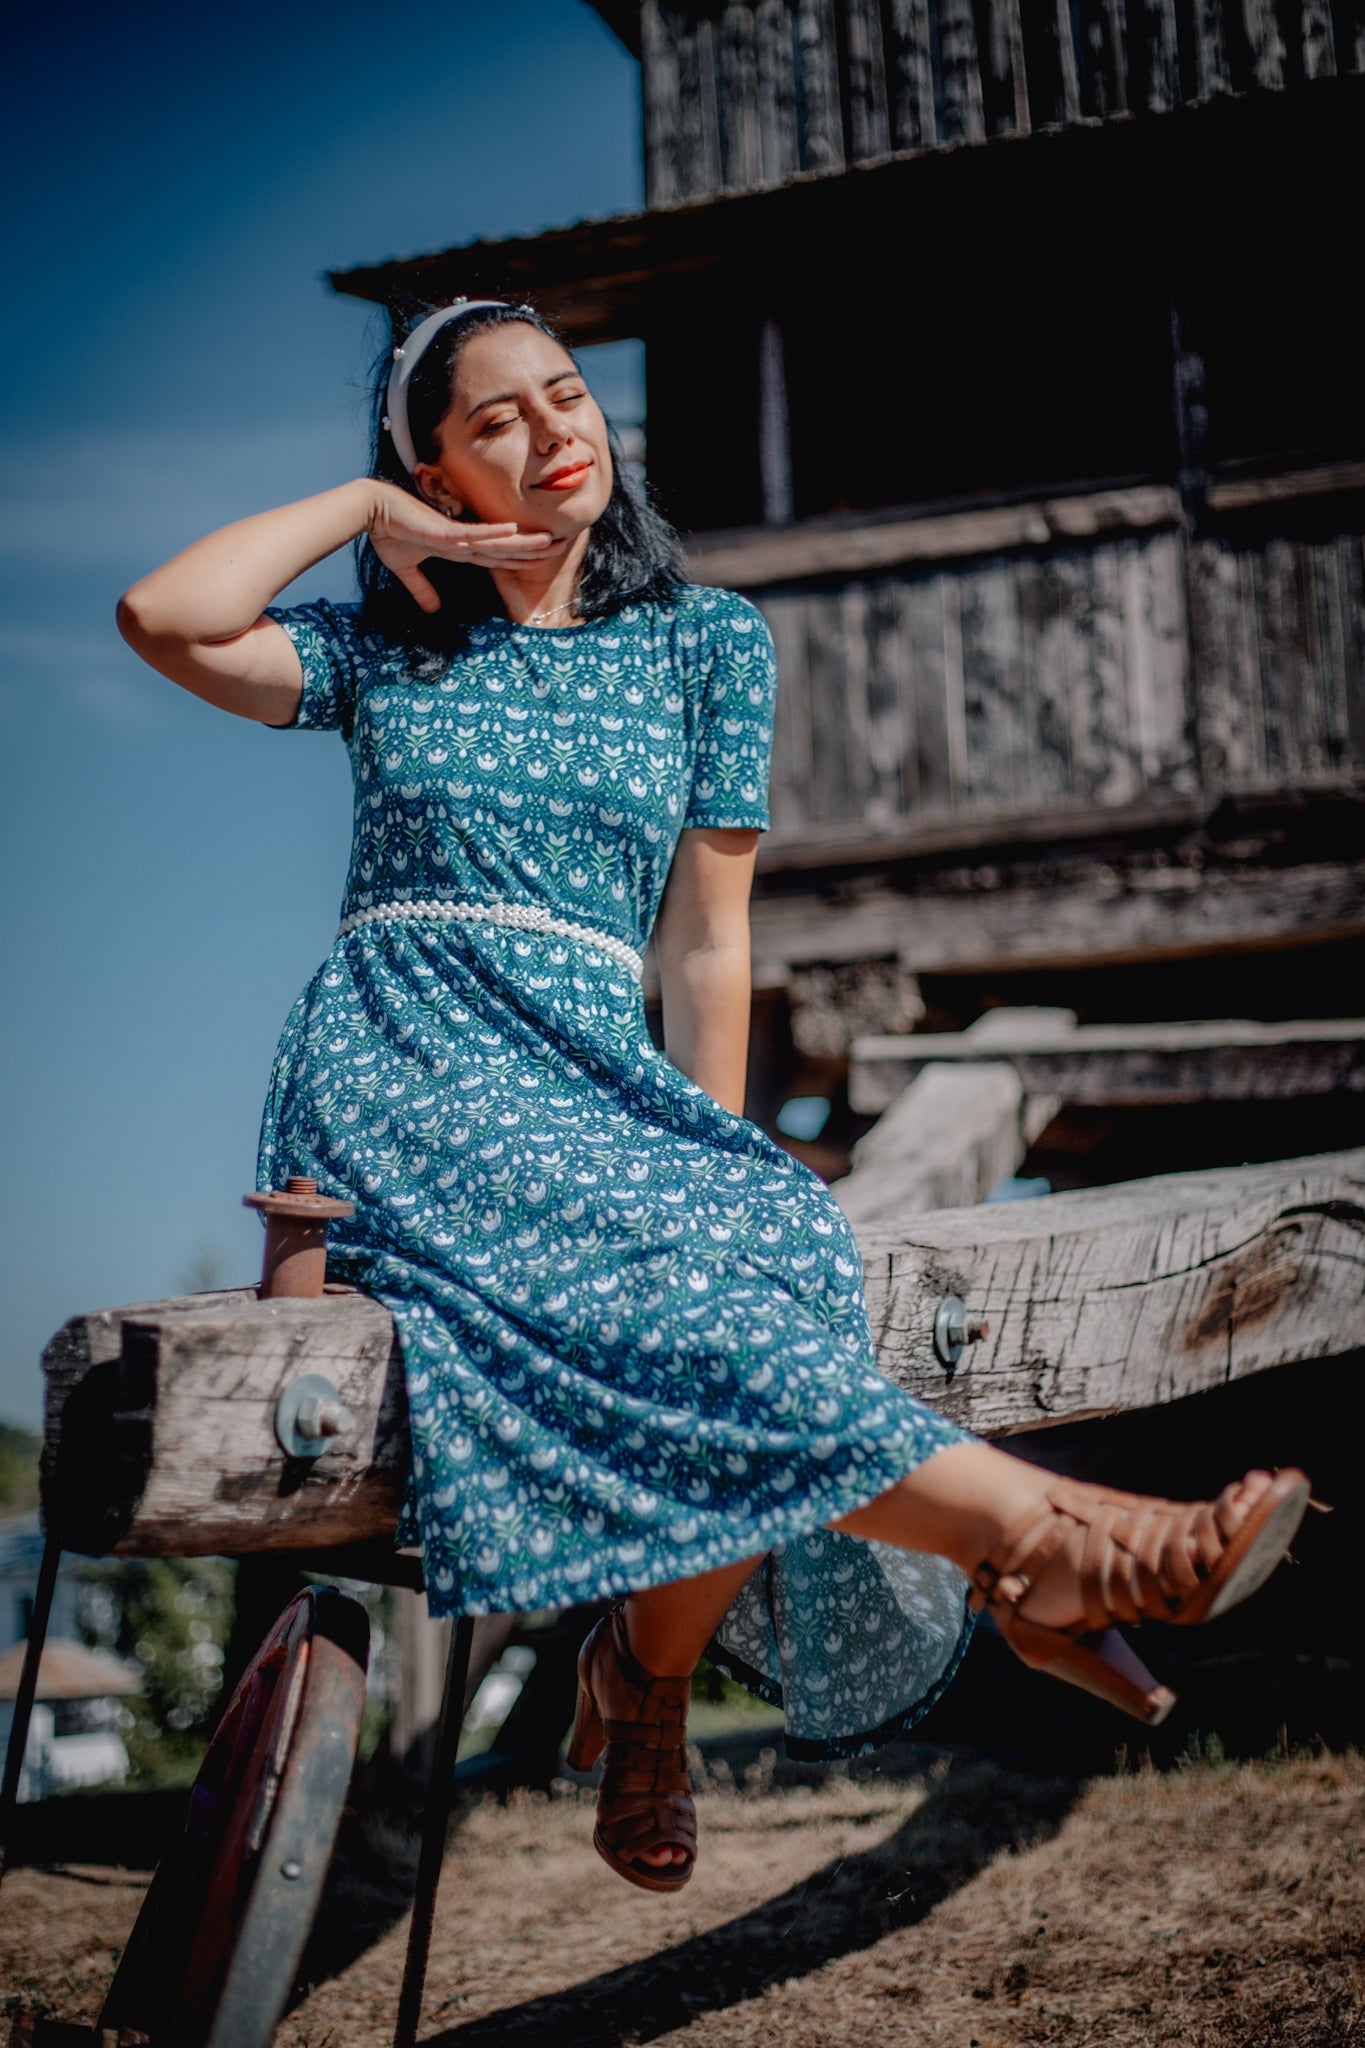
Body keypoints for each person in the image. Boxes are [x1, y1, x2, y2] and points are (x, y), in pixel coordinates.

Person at [118, 298, 1309, 1894]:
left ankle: (653, 1676)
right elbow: (161, 614)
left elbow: (706, 941)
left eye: (568, 395)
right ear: (430, 467)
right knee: (720, 1303)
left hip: (601, 1069)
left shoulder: (702, 643)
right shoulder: (388, 652)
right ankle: (1057, 1552)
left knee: (764, 1259)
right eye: (495, 422)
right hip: (408, 1065)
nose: (556, 432)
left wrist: (713, 1151)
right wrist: (358, 515)